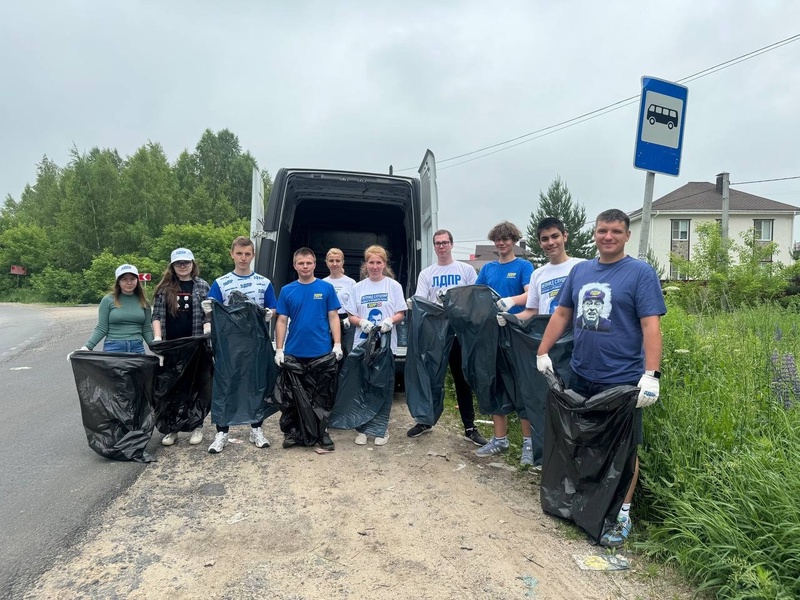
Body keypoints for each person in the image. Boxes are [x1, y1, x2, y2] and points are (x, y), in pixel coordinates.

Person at [536, 208, 666, 548]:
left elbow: (650, 324)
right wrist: (542, 351)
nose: (608, 237)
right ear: (594, 234)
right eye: (602, 230)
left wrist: (651, 375)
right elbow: (562, 313)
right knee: (583, 440)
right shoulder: (581, 271)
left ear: (626, 236)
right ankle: (586, 502)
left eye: (616, 231)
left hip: (622, 380)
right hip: (582, 373)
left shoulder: (639, 273)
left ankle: (621, 512)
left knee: (624, 449)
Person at [498, 217, 585, 470]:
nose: (550, 243)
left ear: (565, 236)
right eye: (545, 239)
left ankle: (574, 460)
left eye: (555, 236)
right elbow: (532, 312)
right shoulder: (538, 274)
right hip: (547, 347)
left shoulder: (582, 267)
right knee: (544, 401)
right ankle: (546, 458)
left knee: (573, 401)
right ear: (539, 243)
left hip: (576, 345)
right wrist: (511, 317)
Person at [406, 229, 488, 446]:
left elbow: (474, 298)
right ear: (434, 247)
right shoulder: (427, 273)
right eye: (437, 243)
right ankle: (425, 420)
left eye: (444, 242)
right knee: (432, 377)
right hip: (436, 334)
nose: (441, 246)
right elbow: (422, 301)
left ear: (452, 244)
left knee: (463, 380)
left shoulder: (466, 270)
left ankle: (470, 427)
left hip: (460, 333)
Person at [202, 236, 278, 454]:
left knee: (256, 384)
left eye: (247, 254)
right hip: (229, 345)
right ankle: (222, 433)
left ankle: (256, 428)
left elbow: (274, 308)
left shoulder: (263, 283)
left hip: (256, 344)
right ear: (232, 254)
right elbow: (211, 309)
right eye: (239, 254)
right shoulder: (221, 283)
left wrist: (268, 314)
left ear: (253, 255)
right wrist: (208, 309)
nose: (243, 258)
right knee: (226, 383)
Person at [473, 221, 535, 464]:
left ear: (514, 241)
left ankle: (529, 444)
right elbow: (475, 295)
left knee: (521, 387)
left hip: (517, 332)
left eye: (506, 239)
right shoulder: (488, 269)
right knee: (495, 383)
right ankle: (500, 439)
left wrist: (510, 301)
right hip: (492, 334)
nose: (501, 243)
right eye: (498, 239)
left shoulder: (524, 266)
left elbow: (532, 294)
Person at [274, 248, 342, 450]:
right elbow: (282, 320)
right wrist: (279, 349)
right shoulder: (287, 290)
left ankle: (322, 433)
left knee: (321, 396)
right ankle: (293, 433)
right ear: (295, 265)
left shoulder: (326, 288)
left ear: (315, 264)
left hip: (321, 351)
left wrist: (337, 344)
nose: (305, 266)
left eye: (309, 263)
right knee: (293, 396)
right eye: (301, 263)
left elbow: (333, 317)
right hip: (295, 352)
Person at [344, 245, 407, 445]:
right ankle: (362, 428)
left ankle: (381, 428)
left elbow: (401, 312)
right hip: (363, 343)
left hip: (386, 345)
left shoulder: (393, 286)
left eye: (378, 262)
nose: (374, 266)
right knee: (364, 384)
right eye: (371, 262)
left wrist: (390, 321)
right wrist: (362, 322)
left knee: (383, 386)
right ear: (366, 264)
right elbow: (351, 315)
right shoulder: (358, 288)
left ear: (384, 264)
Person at [151, 248, 211, 447]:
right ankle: (172, 429)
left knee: (196, 385)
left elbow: (208, 315)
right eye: (179, 263)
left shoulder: (202, 286)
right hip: (172, 346)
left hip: (196, 344)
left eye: (186, 262)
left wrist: (207, 331)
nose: (183, 266)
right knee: (173, 388)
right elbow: (157, 316)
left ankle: (197, 426)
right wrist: (158, 340)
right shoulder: (164, 288)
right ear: (172, 266)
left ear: (193, 264)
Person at [80, 264, 154, 354]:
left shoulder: (144, 302)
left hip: (137, 348)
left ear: (137, 281)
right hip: (113, 347)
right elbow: (102, 328)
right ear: (118, 282)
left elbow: (146, 329)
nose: (129, 282)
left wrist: (155, 349)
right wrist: (87, 347)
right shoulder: (108, 300)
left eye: (132, 279)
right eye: (124, 279)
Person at [322, 247, 356, 352]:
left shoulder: (351, 283)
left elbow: (355, 305)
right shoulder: (322, 283)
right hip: (327, 322)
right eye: (331, 260)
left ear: (343, 262)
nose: (334, 263)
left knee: (348, 353)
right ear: (326, 262)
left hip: (347, 323)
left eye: (338, 260)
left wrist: (349, 319)